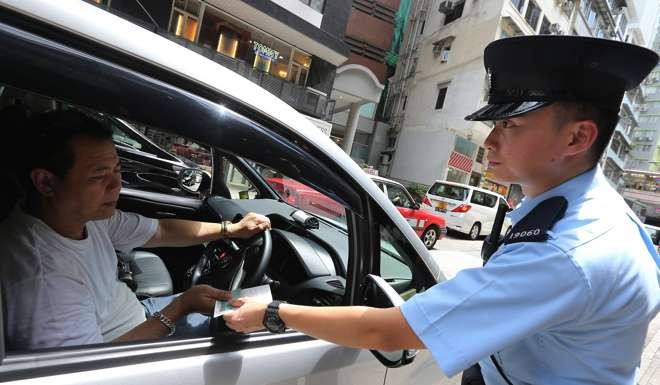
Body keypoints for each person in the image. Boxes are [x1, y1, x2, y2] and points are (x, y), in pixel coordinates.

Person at [224, 35, 660, 384]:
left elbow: (386, 331)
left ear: (576, 139)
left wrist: (271, 313)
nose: (490, 142)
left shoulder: (565, 251)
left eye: (510, 125)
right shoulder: (598, 214)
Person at [0, 110, 271, 350]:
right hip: (127, 348)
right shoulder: (44, 279)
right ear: (46, 182)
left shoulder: (85, 218)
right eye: (98, 176)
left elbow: (161, 232)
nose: (116, 185)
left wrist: (231, 228)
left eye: (117, 170)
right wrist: (180, 307)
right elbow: (89, 370)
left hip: (141, 315)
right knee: (262, 335)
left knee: (255, 311)